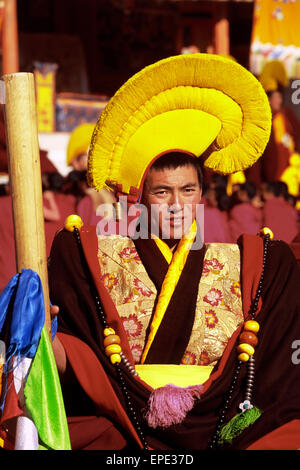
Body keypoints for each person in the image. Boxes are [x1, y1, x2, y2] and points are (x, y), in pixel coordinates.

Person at [48, 54, 300, 451]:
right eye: (162, 192)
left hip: (217, 418)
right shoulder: (102, 259)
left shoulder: (239, 261)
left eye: (187, 191)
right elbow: (79, 351)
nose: (176, 205)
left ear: (201, 194)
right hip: (127, 421)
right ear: (141, 199)